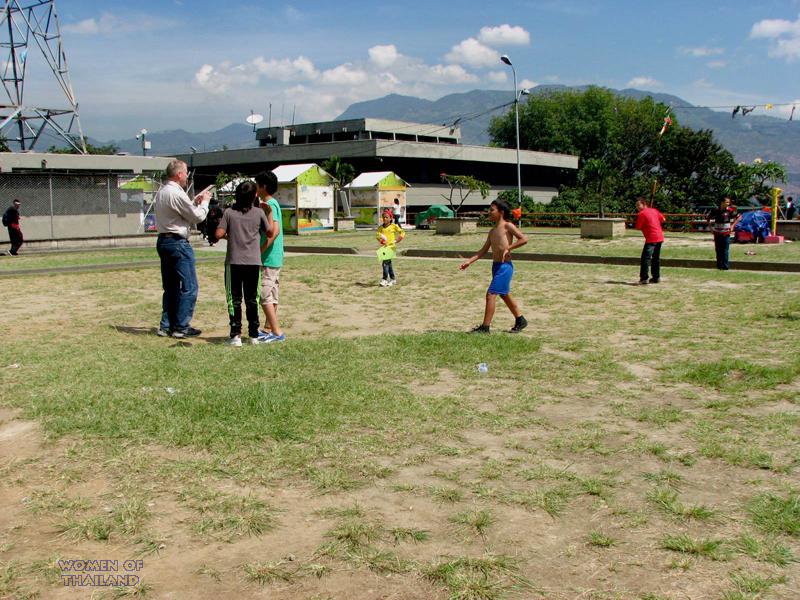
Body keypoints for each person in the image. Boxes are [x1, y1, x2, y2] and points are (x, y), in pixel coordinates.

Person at [154, 159, 211, 338]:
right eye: (186, 173)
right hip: (178, 242)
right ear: (179, 174)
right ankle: (181, 326)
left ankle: (166, 325)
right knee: (189, 286)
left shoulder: (162, 191)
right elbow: (196, 217)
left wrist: (193, 202)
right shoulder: (177, 193)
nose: (187, 176)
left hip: (163, 240)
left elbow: (179, 212)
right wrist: (204, 203)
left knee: (171, 287)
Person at [215, 181, 271, 346]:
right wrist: (268, 213)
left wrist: (230, 235)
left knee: (234, 299)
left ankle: (236, 335)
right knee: (252, 299)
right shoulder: (259, 213)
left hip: (234, 262)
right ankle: (254, 335)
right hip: (254, 262)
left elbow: (218, 234)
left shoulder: (229, 212)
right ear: (254, 196)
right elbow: (269, 232)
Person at [460, 199, 528, 333]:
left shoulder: (508, 226)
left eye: (492, 210)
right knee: (504, 294)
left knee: (491, 294)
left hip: (505, 267)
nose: (489, 212)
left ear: (501, 212)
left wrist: (508, 248)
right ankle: (521, 320)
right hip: (496, 266)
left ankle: (485, 327)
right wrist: (469, 261)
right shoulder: (492, 231)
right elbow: (483, 250)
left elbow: (524, 239)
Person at [254, 171, 286, 343]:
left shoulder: (269, 205)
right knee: (272, 293)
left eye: (257, 185)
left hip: (269, 257)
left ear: (263, 186)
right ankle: (268, 329)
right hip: (274, 257)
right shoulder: (272, 203)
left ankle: (276, 331)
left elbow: (274, 232)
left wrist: (260, 251)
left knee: (264, 294)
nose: (255, 188)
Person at [634, 197, 665, 284]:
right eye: (636, 206)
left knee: (645, 258)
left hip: (651, 237)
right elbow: (663, 219)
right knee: (655, 258)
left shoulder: (641, 214)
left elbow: (638, 227)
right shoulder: (654, 210)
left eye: (638, 205)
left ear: (644, 204)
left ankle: (644, 278)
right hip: (659, 236)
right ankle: (656, 277)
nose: (637, 207)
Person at [706, 197, 741, 270]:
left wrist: (732, 225)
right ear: (722, 202)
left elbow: (739, 217)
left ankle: (725, 266)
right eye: (727, 202)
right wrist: (711, 228)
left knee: (725, 250)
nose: (728, 204)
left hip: (726, 233)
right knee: (718, 250)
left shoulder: (730, 210)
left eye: (729, 202)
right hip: (717, 233)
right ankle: (719, 266)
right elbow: (707, 218)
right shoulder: (715, 210)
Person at [376, 210, 404, 286]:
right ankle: (393, 279)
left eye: (386, 217)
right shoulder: (380, 228)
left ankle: (384, 279)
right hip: (384, 248)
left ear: (390, 218)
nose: (385, 219)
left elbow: (402, 232)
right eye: (383, 217)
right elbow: (377, 236)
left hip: (391, 247)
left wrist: (397, 240)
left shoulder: (393, 226)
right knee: (388, 263)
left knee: (385, 263)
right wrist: (382, 241)